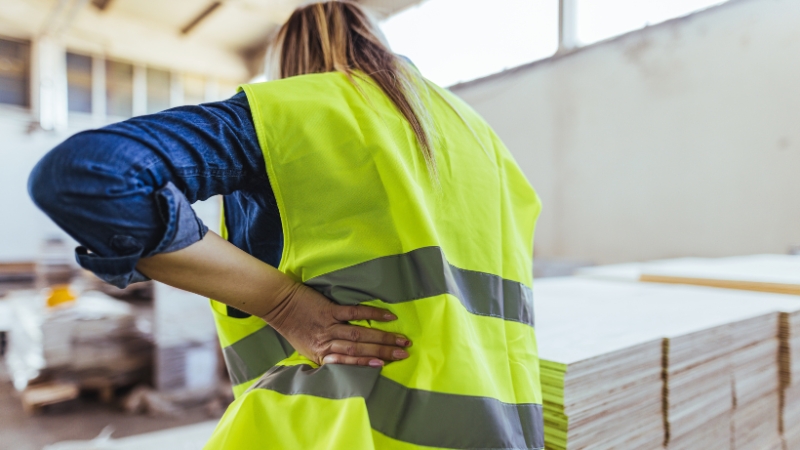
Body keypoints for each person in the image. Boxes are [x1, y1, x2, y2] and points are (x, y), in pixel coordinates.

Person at [28, 1, 544, 448]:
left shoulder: (296, 115)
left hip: (337, 431)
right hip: (502, 430)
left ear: (288, 66)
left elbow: (86, 176)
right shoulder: (480, 141)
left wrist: (285, 304)